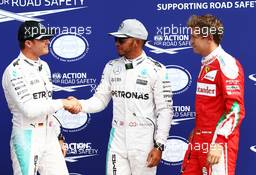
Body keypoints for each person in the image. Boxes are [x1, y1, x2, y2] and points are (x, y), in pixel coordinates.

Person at [68, 18, 173, 175]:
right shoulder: (111, 66)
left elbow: (165, 110)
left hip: (143, 139)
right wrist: (80, 105)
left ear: (137, 42)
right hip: (118, 138)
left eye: (122, 40)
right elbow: (100, 100)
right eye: (116, 39)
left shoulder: (157, 70)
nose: (117, 43)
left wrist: (159, 145)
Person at [2, 21, 80, 175]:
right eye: (42, 38)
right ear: (29, 43)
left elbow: (46, 104)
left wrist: (58, 135)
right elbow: (29, 110)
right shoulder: (14, 71)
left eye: (48, 37)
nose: (48, 41)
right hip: (27, 137)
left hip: (49, 135)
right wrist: (63, 103)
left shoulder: (44, 66)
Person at [181, 14, 245, 175]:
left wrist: (219, 142)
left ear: (208, 37)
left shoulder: (227, 64)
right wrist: (198, 130)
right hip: (199, 140)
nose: (191, 41)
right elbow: (209, 106)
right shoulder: (207, 62)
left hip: (218, 143)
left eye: (194, 37)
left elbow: (235, 110)